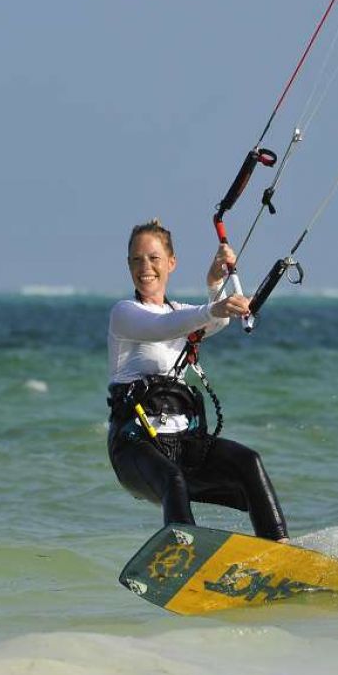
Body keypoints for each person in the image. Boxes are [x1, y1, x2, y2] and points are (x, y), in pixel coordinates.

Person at [106, 219, 288, 542]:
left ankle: (280, 547)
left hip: (182, 443)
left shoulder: (179, 311)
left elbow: (214, 321)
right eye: (136, 259)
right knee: (172, 479)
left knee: (248, 462)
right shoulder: (125, 314)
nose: (144, 267)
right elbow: (163, 327)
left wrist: (215, 283)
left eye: (153, 258)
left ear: (171, 263)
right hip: (134, 447)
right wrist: (213, 306)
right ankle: (184, 556)